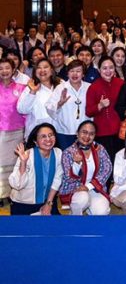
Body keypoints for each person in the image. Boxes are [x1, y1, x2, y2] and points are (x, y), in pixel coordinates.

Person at [59, 120, 112, 215]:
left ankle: (89, 208)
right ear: (77, 133)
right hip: (76, 189)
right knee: (83, 199)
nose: (87, 136)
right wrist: (77, 164)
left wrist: (89, 186)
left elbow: (107, 169)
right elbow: (68, 177)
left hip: (94, 187)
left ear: (95, 136)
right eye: (84, 132)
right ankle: (75, 216)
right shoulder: (68, 152)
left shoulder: (99, 149)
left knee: (102, 212)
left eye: (91, 134)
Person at [9, 123, 63, 215]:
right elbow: (17, 185)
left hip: (47, 201)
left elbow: (57, 180)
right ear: (35, 141)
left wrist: (49, 203)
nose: (48, 139)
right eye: (43, 136)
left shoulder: (58, 153)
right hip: (23, 203)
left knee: (59, 224)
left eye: (51, 135)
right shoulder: (27, 156)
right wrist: (23, 163)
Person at [45, 59, 91, 150]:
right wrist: (59, 104)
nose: (74, 74)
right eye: (72, 71)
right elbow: (49, 106)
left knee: (84, 156)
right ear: (67, 73)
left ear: (83, 74)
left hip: (85, 132)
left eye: (78, 71)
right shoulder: (61, 87)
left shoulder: (89, 87)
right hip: (64, 132)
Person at [86, 56, 124, 159]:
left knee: (121, 160)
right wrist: (100, 105)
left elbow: (125, 106)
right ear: (99, 70)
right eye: (104, 68)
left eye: (111, 67)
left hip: (121, 130)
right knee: (106, 162)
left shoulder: (121, 83)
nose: (108, 71)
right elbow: (88, 112)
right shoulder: (93, 87)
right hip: (102, 132)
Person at [0, 58, 26, 203]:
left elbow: (26, 109)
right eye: (1, 68)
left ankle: (13, 193)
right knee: (1, 165)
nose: (4, 71)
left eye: (7, 68)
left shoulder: (22, 88)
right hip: (1, 131)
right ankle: (1, 193)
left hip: (18, 131)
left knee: (16, 163)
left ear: (13, 70)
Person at [17, 58, 61, 140]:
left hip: (60, 132)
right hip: (37, 135)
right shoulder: (30, 87)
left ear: (52, 70)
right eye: (39, 68)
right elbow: (22, 110)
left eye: (45, 67)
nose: (42, 70)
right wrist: (33, 92)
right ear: (35, 72)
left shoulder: (61, 85)